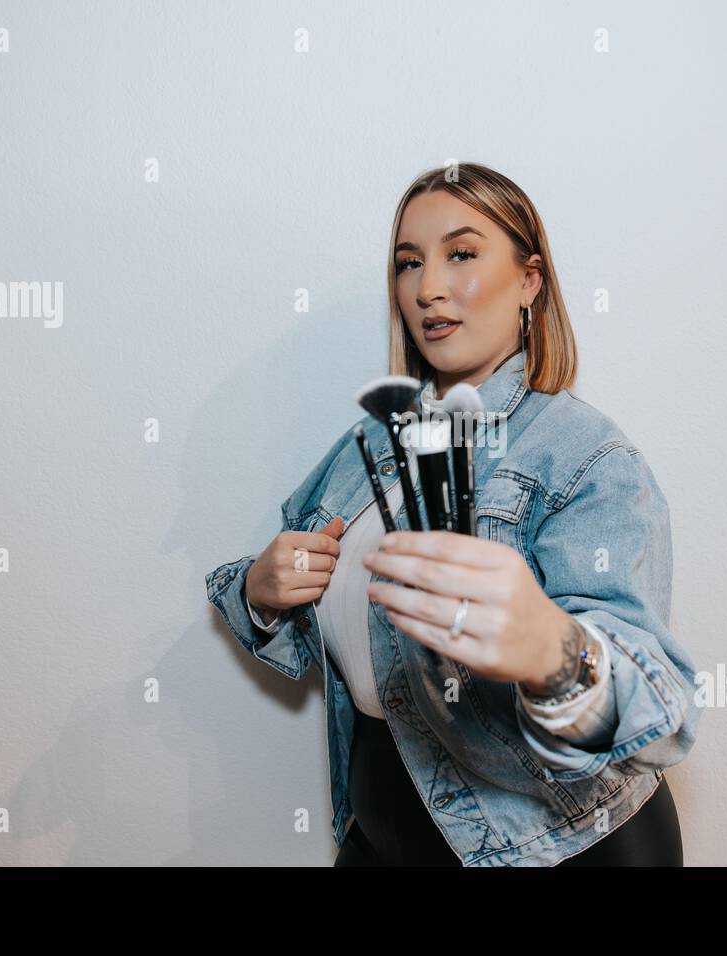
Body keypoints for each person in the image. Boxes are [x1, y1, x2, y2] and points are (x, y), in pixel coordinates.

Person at [207, 162, 701, 866]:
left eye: (461, 254)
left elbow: (658, 714)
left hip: (560, 850)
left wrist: (550, 652)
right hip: (385, 834)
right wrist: (259, 592)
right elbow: (299, 616)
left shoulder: (586, 456)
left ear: (530, 280)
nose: (428, 287)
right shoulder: (367, 446)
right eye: (409, 263)